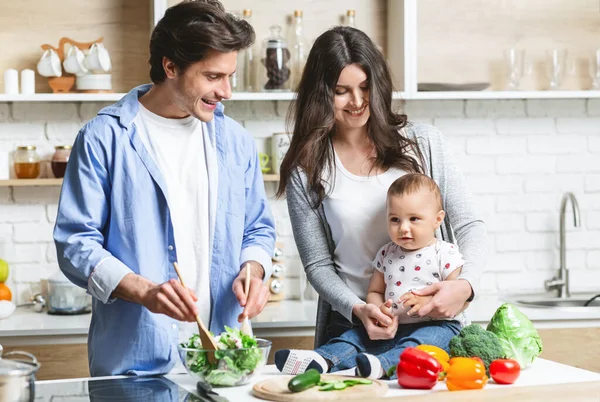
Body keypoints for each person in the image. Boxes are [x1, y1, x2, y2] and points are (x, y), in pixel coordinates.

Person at [53, 0, 276, 376]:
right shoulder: (104, 139)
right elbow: (75, 243)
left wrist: (253, 270)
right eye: (212, 77)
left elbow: (257, 228)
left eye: (230, 76)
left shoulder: (236, 141)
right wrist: (145, 291)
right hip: (136, 367)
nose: (227, 92)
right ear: (170, 66)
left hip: (224, 362)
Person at [276, 26, 486, 367]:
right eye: (341, 91)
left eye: (365, 87)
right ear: (320, 94)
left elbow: (470, 225)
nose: (357, 102)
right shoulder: (307, 166)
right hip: (354, 323)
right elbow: (317, 264)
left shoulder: (423, 143)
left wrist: (465, 286)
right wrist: (359, 308)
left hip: (431, 321)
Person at [275, 173, 467, 378]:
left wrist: (427, 301)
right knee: (355, 337)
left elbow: (457, 297)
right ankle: (320, 359)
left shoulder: (446, 253)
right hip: (393, 327)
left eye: (414, 219)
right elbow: (375, 290)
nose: (403, 228)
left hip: (438, 326)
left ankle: (383, 366)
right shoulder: (386, 254)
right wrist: (378, 309)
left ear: (437, 219)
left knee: (419, 344)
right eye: (395, 219)